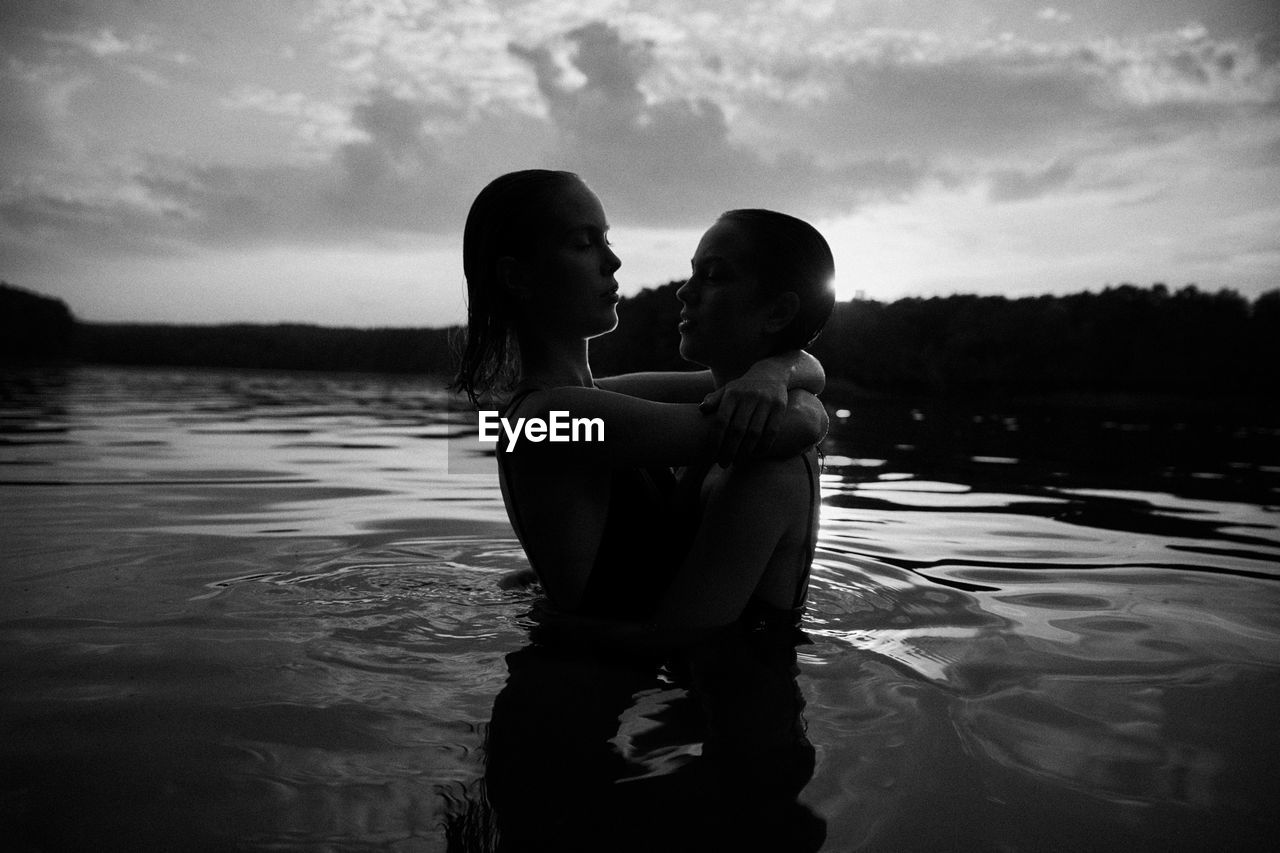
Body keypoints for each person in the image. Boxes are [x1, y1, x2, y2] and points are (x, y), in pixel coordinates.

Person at [451, 170, 829, 623]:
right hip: (592, 686)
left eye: (606, 238)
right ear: (517, 277)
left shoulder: (592, 400)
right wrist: (794, 398)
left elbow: (801, 375)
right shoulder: (555, 418)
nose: (613, 261)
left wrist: (771, 372)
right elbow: (784, 426)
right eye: (582, 243)